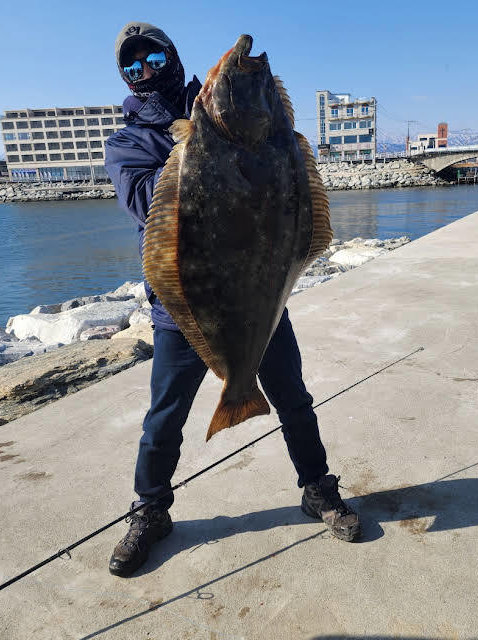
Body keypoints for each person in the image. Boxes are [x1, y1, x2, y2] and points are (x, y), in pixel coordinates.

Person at [104, 22, 361, 578]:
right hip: (185, 305)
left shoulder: (230, 118)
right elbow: (147, 203)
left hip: (259, 289)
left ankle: (318, 488)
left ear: (170, 57)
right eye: (131, 66)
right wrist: (194, 139)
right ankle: (150, 510)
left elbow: (293, 192)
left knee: (293, 395)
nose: (143, 69)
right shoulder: (128, 142)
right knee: (163, 419)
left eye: (152, 57)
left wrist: (209, 129)